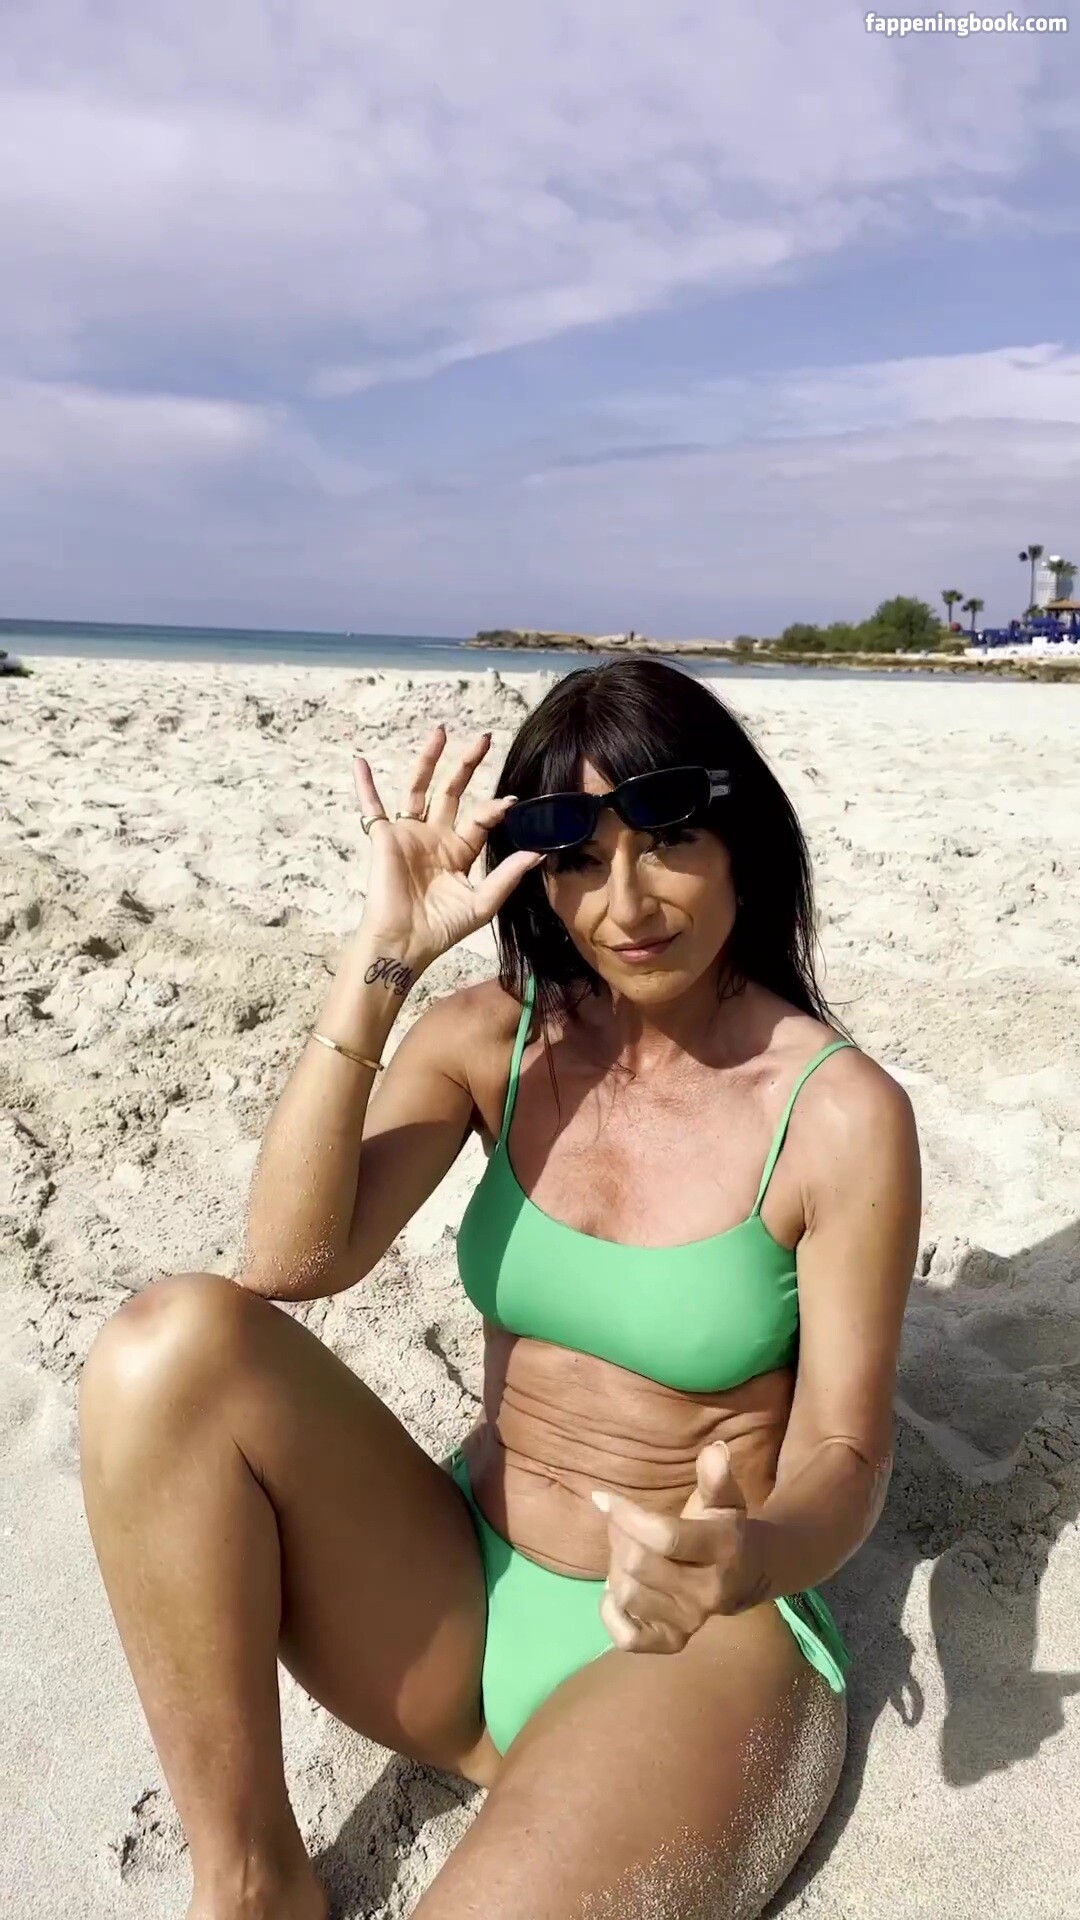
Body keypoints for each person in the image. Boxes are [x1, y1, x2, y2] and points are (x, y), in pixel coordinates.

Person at [80, 658, 921, 1920]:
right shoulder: (500, 1037)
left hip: (696, 1640)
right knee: (170, 1345)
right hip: (458, 1596)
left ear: (740, 845)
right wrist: (384, 956)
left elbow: (847, 1453)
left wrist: (747, 1555)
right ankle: (249, 1880)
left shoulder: (838, 1113)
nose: (625, 904)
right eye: (578, 859)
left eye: (669, 842)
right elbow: (294, 1262)